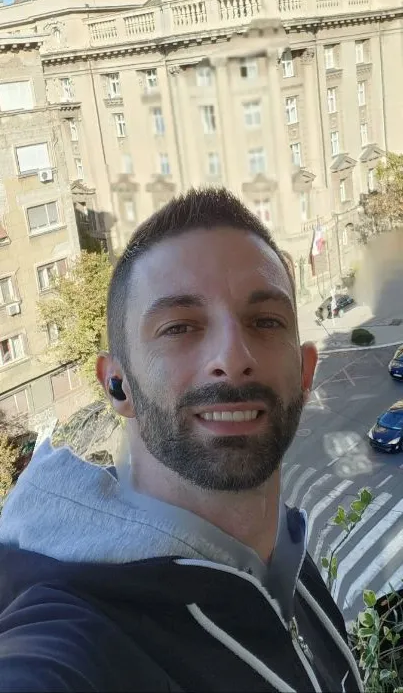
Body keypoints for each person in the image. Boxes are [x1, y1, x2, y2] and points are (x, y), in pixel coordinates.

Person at [0, 188, 363, 693]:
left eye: (265, 321)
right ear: (117, 384)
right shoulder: (76, 634)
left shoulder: (289, 569)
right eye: (179, 327)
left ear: (304, 372)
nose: (232, 356)